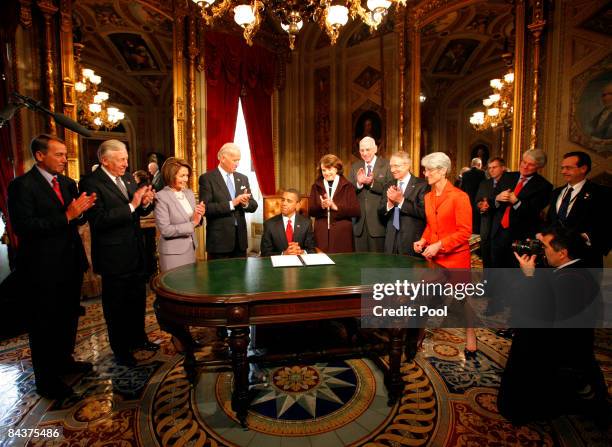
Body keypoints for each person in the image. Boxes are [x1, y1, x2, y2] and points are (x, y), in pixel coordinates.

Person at [7, 134, 96, 399]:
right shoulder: (22, 186)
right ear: (39, 156)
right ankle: (47, 381)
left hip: (70, 263)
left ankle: (65, 362)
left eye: (65, 154)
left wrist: (84, 210)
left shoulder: (67, 183)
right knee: (44, 325)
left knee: (67, 319)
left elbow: (77, 220)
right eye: (58, 154)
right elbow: (24, 227)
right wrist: (68, 214)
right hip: (41, 268)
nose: (64, 159)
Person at [499, 226, 607, 425]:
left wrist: (529, 277)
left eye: (545, 247)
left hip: (552, 351)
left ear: (563, 253)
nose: (542, 251)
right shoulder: (578, 269)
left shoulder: (571, 280)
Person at [80, 139, 158, 367]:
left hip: (134, 252)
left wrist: (145, 203)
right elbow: (99, 220)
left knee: (137, 299)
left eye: (126, 158)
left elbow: (136, 210)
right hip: (113, 256)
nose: (126, 163)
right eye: (121, 159)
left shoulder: (125, 178)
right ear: (105, 160)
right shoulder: (91, 182)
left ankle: (138, 339)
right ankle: (121, 349)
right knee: (117, 306)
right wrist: (133, 205)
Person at [413, 152, 478, 357]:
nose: (425, 174)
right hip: (434, 257)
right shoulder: (428, 196)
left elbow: (464, 232)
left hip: (456, 256)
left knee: (462, 298)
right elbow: (431, 226)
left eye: (429, 170)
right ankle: (419, 333)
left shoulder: (460, 197)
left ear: (442, 171)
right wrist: (423, 240)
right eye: (425, 169)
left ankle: (470, 333)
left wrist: (439, 244)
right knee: (424, 296)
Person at [546, 151, 611, 269]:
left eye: (568, 168)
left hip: (585, 259)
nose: (563, 171)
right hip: (555, 259)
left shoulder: (601, 193)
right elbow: (550, 221)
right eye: (562, 168)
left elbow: (607, 224)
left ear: (583, 168)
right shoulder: (556, 193)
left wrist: (585, 237)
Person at [490, 149, 552, 269]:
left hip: (520, 237)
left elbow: (533, 212)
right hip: (498, 233)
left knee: (515, 274)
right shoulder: (507, 176)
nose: (525, 166)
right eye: (523, 162)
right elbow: (491, 200)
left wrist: (516, 202)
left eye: (530, 164)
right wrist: (497, 198)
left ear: (539, 166)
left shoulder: (544, 186)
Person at [199, 142, 258, 259]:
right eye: (234, 160)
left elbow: (253, 205)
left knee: (241, 277)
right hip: (219, 243)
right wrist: (232, 203)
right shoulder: (207, 178)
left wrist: (245, 203)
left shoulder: (243, 178)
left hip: (240, 242)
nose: (237, 164)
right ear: (222, 158)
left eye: (238, 160)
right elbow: (206, 209)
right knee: (218, 277)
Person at [155, 157, 205, 271]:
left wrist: (200, 215)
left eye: (187, 175)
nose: (186, 179)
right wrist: (193, 223)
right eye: (182, 176)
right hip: (172, 254)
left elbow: (194, 220)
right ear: (171, 175)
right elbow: (166, 230)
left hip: (190, 249)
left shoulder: (189, 193)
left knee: (189, 286)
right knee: (174, 286)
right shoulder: (161, 197)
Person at [378, 151, 427, 256]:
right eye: (391, 166)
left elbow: (423, 212)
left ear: (407, 165)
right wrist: (390, 204)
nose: (392, 170)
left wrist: (401, 201)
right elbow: (380, 212)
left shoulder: (422, 185)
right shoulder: (388, 185)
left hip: (411, 240)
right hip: (390, 240)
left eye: (396, 166)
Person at [348, 137, 393, 252]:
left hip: (378, 223)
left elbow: (391, 190)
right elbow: (348, 193)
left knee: (377, 265)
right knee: (359, 264)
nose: (365, 153)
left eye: (368, 150)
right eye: (362, 150)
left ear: (375, 149)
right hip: (359, 224)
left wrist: (373, 183)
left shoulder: (387, 165)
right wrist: (359, 183)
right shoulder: (355, 167)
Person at [309, 154, 360, 253]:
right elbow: (311, 211)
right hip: (322, 232)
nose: (326, 173)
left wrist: (336, 207)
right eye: (324, 170)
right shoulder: (316, 186)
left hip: (342, 233)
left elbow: (356, 211)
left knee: (342, 265)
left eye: (329, 169)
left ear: (337, 169)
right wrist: (322, 206)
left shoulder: (348, 186)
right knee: (322, 265)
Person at [260, 189, 315, 256]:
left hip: (300, 263)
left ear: (297, 205)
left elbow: (311, 249)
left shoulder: (306, 223)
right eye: (283, 200)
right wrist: (283, 254)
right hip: (279, 264)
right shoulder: (269, 224)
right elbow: (265, 252)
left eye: (289, 201)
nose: (284, 203)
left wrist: (301, 252)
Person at [475, 157, 507, 268]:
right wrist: (480, 206)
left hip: (500, 229)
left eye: (494, 167)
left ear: (503, 168)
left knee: (499, 264)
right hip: (485, 227)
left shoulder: (509, 183)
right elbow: (477, 200)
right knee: (486, 262)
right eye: (489, 168)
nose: (491, 170)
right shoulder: (484, 183)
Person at [460, 157, 485, 234]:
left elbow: (462, 188)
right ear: (479, 164)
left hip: (468, 199)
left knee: (469, 217)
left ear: (471, 164)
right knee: (477, 219)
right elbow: (485, 186)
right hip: (479, 199)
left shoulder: (465, 174)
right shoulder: (482, 173)